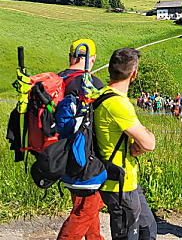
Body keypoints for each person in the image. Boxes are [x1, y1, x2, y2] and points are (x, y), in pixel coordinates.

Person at [95, 48, 157, 240]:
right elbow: (149, 143)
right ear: (134, 74)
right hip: (119, 183)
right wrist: (144, 138)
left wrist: (139, 141)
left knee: (148, 228)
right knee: (128, 235)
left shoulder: (103, 95)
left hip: (127, 179)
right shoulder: (117, 104)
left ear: (110, 70)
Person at [57, 39, 105, 240]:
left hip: (60, 157)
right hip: (86, 160)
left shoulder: (57, 80)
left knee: (88, 205)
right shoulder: (92, 84)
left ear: (70, 56)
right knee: (84, 211)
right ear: (92, 59)